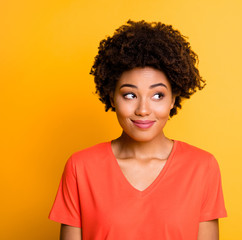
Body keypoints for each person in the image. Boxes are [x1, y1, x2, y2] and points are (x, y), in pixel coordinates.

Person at [49, 20, 227, 240]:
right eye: (130, 95)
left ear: (173, 99)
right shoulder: (81, 167)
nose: (143, 110)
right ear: (112, 97)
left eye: (158, 95)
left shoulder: (202, 167)